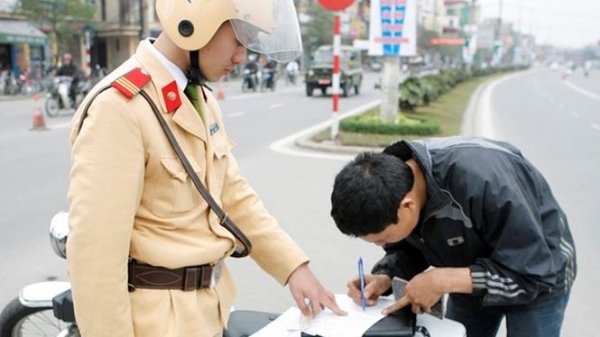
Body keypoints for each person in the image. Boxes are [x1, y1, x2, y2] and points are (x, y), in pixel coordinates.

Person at [66, 0, 344, 336]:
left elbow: (232, 194)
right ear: (194, 22)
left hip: (209, 312)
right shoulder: (121, 107)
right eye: (239, 41)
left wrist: (294, 268)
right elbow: (95, 257)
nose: (241, 57)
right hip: (157, 322)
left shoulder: (200, 97)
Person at [330, 136, 577, 337]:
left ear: (407, 206)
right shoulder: (394, 184)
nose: (381, 245)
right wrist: (386, 275)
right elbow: (412, 246)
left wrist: (442, 279)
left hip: (538, 274)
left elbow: (531, 274)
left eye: (381, 239)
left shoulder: (485, 182)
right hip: (468, 271)